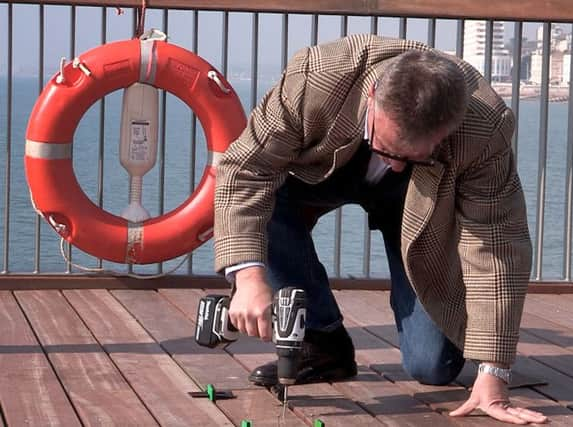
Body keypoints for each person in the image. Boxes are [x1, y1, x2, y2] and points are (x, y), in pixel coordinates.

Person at [214, 34, 547, 424]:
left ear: (448, 130)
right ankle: (321, 341)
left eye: (414, 156)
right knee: (264, 197)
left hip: (416, 206)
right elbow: (245, 171)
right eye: (388, 149)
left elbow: (498, 242)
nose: (395, 165)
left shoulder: (483, 126)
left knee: (432, 367)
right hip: (315, 176)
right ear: (371, 95)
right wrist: (250, 278)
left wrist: (494, 372)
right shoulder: (315, 78)